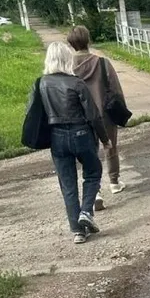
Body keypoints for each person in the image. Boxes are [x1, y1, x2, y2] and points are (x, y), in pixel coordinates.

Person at [40, 41, 109, 244]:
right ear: (67, 59)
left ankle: (78, 231)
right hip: (81, 134)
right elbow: (94, 116)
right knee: (93, 172)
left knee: (68, 185)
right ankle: (86, 211)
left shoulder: (42, 83)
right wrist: (105, 139)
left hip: (57, 137)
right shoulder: (76, 83)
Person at [67, 25, 126, 210]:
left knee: (89, 153)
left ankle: (96, 192)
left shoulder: (68, 67)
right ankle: (115, 182)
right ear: (88, 40)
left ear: (70, 44)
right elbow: (115, 89)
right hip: (105, 113)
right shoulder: (102, 63)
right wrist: (121, 110)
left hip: (82, 117)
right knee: (110, 146)